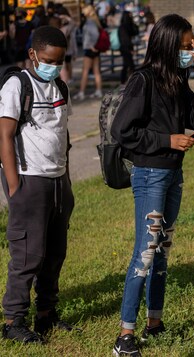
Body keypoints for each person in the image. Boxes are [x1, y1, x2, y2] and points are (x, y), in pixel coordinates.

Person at [110, 13, 194, 356]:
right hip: (150, 174)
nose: (190, 50)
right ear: (168, 45)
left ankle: (154, 322)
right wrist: (169, 141)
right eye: (185, 46)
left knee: (162, 252)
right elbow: (123, 131)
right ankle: (125, 334)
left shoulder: (178, 80)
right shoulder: (144, 80)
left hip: (173, 174)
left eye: (191, 45)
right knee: (145, 252)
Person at [0, 25, 79, 344]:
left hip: (59, 182)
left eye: (59, 62)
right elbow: (4, 135)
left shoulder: (60, 86)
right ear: (33, 54)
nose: (54, 67)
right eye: (48, 60)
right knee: (27, 255)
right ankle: (12, 321)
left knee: (55, 252)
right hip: (29, 180)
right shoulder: (17, 85)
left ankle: (46, 314)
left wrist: (67, 177)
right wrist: (15, 186)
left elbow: (63, 134)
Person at [74, 5, 103, 101]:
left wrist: (91, 46)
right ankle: (98, 91)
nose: (82, 12)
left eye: (84, 10)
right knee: (96, 71)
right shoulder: (94, 21)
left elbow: (95, 34)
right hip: (94, 49)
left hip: (89, 49)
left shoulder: (90, 21)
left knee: (85, 72)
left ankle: (82, 92)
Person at [57, 5, 78, 84]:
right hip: (66, 47)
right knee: (66, 63)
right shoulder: (65, 24)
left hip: (67, 47)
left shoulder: (67, 25)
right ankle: (68, 78)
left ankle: (68, 78)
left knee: (67, 62)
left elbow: (73, 24)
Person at [118, 11, 139, 84]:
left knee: (127, 65)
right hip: (125, 48)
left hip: (126, 48)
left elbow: (136, 32)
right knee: (130, 65)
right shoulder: (123, 27)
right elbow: (125, 40)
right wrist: (130, 49)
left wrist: (133, 22)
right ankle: (129, 81)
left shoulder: (127, 26)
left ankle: (124, 81)